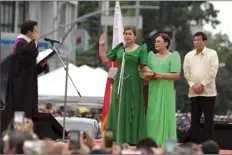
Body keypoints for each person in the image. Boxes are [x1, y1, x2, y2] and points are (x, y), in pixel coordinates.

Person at [98, 26, 151, 145]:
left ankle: (132, 138)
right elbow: (105, 60)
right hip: (120, 82)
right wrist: (101, 46)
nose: (127, 36)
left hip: (134, 83)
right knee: (117, 108)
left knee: (134, 107)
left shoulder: (141, 49)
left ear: (135, 36)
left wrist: (151, 72)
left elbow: (144, 66)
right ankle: (116, 137)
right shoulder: (119, 48)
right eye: (125, 33)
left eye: (130, 34)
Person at [1, 20, 48, 133]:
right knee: (21, 113)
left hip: (27, 85)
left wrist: (41, 65)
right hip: (20, 87)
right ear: (29, 32)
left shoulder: (28, 45)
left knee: (28, 113)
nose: (38, 33)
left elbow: (30, 69)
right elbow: (26, 58)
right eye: (36, 31)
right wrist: (35, 41)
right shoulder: (20, 43)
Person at [146, 33, 181, 146]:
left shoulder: (173, 56)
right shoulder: (151, 56)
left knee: (167, 117)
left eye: (159, 41)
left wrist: (162, 76)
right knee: (152, 117)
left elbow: (176, 75)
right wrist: (148, 74)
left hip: (166, 91)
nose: (156, 43)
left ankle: (168, 146)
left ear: (166, 43)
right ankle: (151, 144)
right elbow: (146, 71)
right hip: (153, 90)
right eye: (155, 41)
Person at [183, 32, 219, 144]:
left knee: (208, 120)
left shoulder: (212, 54)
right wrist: (193, 85)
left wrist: (203, 84)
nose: (196, 42)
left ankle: (208, 145)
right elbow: (186, 72)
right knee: (194, 120)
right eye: (194, 40)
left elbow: (213, 71)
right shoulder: (189, 55)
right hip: (193, 92)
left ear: (204, 41)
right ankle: (194, 143)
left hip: (208, 93)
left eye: (198, 40)